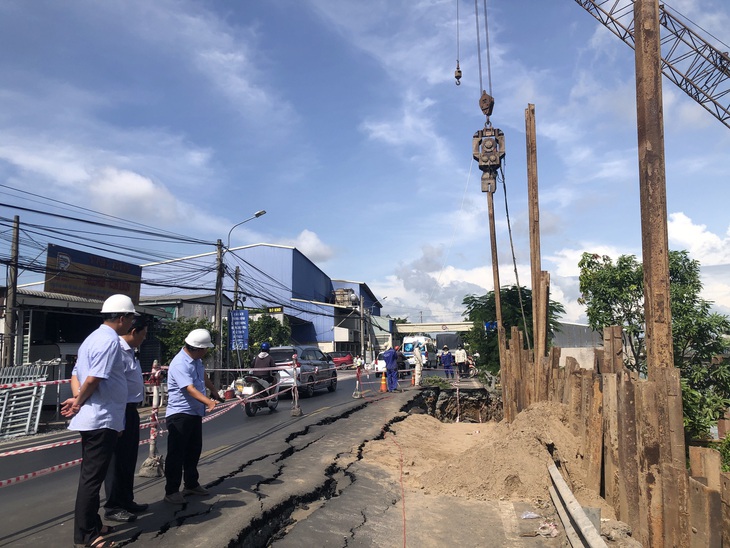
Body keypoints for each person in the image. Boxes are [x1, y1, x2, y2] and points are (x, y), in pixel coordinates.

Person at [61, 294, 139, 548]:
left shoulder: (91, 339)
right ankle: (86, 535)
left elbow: (76, 374)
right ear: (121, 317)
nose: (131, 324)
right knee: (92, 480)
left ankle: (92, 524)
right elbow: (94, 378)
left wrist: (76, 398)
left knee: (92, 475)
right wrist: (79, 401)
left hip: (97, 417)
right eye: (130, 318)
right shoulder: (109, 342)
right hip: (100, 418)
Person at [164, 328, 224, 505]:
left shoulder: (196, 360)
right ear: (198, 348)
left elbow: (202, 376)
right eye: (206, 348)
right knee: (176, 454)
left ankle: (191, 484)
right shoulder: (180, 363)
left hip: (194, 413)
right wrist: (209, 402)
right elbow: (189, 388)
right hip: (180, 414)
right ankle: (171, 491)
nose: (207, 351)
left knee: (193, 450)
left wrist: (214, 392)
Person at [103, 316, 149, 522]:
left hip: (130, 409)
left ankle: (126, 499)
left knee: (128, 458)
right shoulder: (117, 351)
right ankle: (113, 506)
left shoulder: (131, 353)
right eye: (144, 334)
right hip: (118, 409)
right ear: (134, 332)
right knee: (115, 462)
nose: (144, 339)